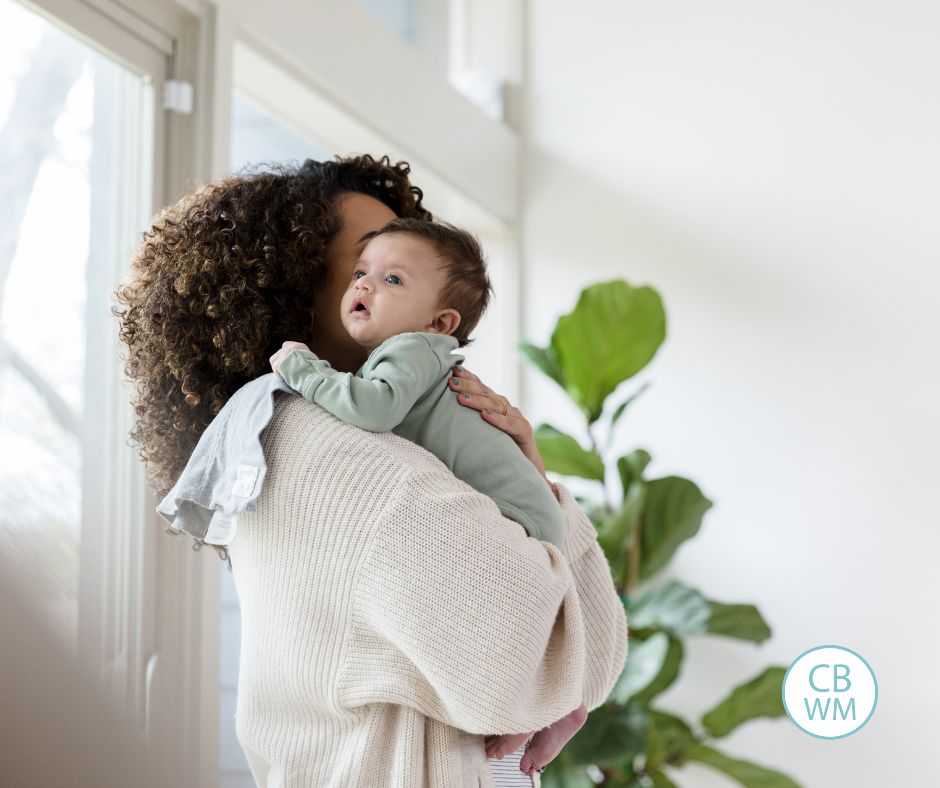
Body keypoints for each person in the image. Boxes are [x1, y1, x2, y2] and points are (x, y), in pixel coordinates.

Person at [115, 154, 629, 787]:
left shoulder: (281, 441)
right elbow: (534, 671)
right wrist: (544, 516)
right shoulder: (343, 462)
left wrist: (525, 473)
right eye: (366, 264)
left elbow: (583, 667)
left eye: (399, 273)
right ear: (288, 290)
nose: (379, 281)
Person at [267, 217, 586, 772]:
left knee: (491, 626)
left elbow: (373, 410)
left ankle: (544, 701)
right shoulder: (412, 360)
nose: (363, 286)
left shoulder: (411, 351)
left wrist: (305, 369)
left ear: (441, 322)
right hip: (529, 513)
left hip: (518, 517)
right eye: (361, 273)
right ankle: (559, 701)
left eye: (392, 281)